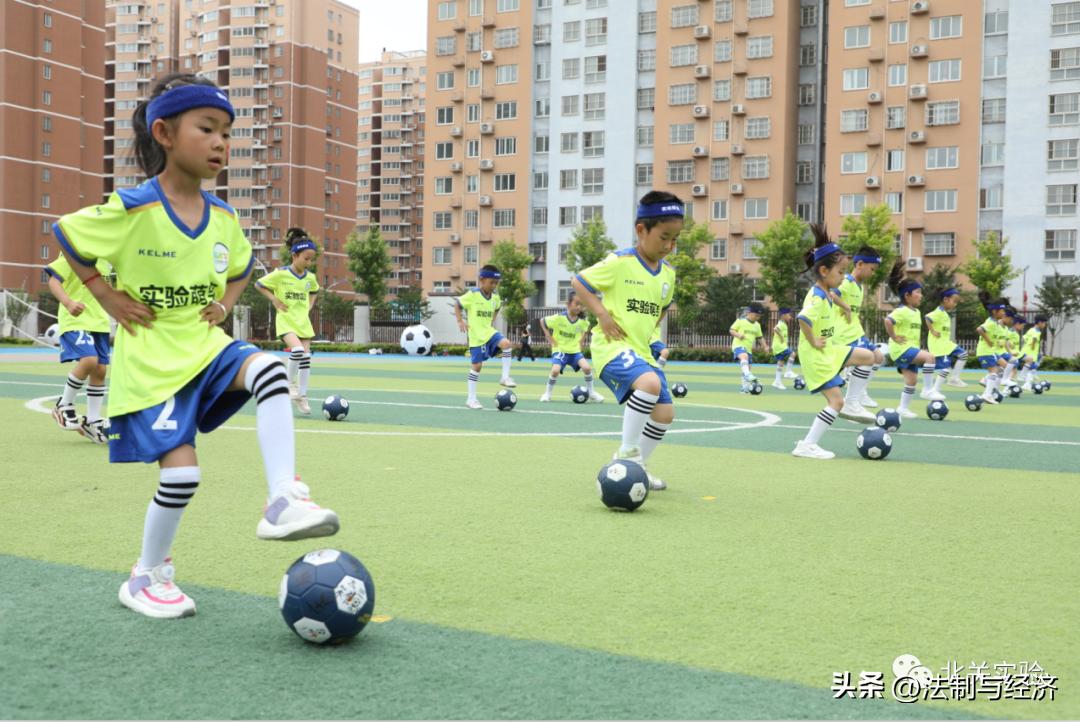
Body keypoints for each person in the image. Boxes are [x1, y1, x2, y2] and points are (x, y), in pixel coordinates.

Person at [53, 74, 339, 619]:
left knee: (272, 371)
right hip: (150, 362)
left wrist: (227, 307)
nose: (220, 144)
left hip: (205, 346)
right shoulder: (133, 208)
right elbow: (67, 234)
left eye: (227, 134)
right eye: (207, 129)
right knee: (182, 476)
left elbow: (242, 268)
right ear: (163, 132)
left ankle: (283, 498)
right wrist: (104, 295)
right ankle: (146, 575)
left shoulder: (225, 219)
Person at [571, 190, 680, 489]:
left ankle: (638, 468)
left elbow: (660, 311)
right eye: (664, 237)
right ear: (641, 230)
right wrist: (603, 316)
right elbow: (579, 282)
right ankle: (627, 457)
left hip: (641, 352)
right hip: (611, 348)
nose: (670, 246)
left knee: (665, 413)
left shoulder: (668, 275)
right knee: (649, 384)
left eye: (675, 239)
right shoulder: (620, 262)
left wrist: (653, 339)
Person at [792, 225, 883, 459]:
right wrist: (813, 340)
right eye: (841, 272)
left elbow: (834, 297)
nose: (843, 277)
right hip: (817, 355)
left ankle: (854, 402)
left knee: (868, 356)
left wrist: (845, 307)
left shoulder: (826, 292)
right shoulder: (817, 297)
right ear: (824, 270)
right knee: (835, 402)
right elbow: (802, 318)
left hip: (831, 350)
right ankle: (807, 445)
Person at [44, 253, 113, 444]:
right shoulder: (73, 254)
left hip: (99, 322)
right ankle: (63, 405)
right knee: (89, 359)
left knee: (100, 369)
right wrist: (68, 302)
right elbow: (53, 280)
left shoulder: (106, 260)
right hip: (75, 320)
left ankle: (92, 420)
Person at [255, 228, 319, 415]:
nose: (309, 262)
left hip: (303, 322)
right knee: (298, 351)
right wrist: (274, 299)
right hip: (285, 320)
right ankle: (289, 383)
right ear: (294, 256)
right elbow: (258, 285)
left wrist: (310, 305)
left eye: (311, 259)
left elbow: (315, 291)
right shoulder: (280, 274)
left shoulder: (310, 278)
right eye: (306, 258)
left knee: (306, 358)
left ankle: (302, 395)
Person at [884, 261, 943, 419]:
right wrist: (894, 337)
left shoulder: (916, 312)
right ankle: (928, 389)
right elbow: (888, 321)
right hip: (901, 349)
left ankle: (902, 408)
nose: (921, 295)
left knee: (911, 380)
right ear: (907, 295)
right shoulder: (901, 310)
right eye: (918, 292)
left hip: (909, 348)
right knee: (929, 357)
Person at [830, 247, 882, 417]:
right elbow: (830, 294)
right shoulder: (846, 282)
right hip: (844, 335)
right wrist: (844, 306)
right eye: (872, 269)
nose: (873, 273)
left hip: (855, 332)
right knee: (868, 358)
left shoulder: (859, 287)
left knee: (878, 357)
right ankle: (851, 401)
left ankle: (859, 394)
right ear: (860, 264)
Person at [456, 264, 515, 409]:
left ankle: (505, 377)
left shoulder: (495, 297)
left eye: (496, 283)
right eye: (491, 282)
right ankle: (471, 399)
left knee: (507, 344)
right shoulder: (473, 295)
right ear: (482, 280)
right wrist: (460, 320)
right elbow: (458, 304)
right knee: (477, 366)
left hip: (489, 332)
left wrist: (492, 321)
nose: (494, 285)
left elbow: (497, 307)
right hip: (476, 336)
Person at [539, 291, 603, 403]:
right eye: (576, 303)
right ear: (568, 304)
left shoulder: (583, 321)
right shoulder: (559, 318)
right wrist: (548, 335)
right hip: (560, 350)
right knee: (555, 370)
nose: (579, 307)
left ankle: (592, 393)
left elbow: (585, 330)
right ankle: (547, 394)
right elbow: (542, 321)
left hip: (574, 351)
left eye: (581, 304)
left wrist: (581, 343)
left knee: (587, 368)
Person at [923, 287, 969, 393]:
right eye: (954, 301)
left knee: (963, 355)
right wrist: (933, 331)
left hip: (946, 344)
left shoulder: (945, 314)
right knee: (945, 368)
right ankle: (935, 390)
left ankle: (954, 378)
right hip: (939, 345)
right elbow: (927, 318)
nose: (955, 304)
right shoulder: (939, 311)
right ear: (945, 300)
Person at [974, 292, 1009, 404]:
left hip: (991, 351)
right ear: (995, 312)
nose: (1004, 313)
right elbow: (979, 329)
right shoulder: (990, 323)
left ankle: (990, 388)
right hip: (985, 352)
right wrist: (988, 341)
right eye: (1002, 311)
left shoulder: (996, 323)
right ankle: (987, 394)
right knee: (994, 371)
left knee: (1003, 367)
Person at [730, 303, 766, 393]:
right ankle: (747, 375)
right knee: (744, 356)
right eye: (756, 315)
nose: (757, 318)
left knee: (748, 367)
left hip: (749, 349)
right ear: (749, 313)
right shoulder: (740, 321)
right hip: (738, 345)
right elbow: (731, 330)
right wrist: (738, 335)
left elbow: (760, 337)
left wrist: (765, 346)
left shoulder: (757, 325)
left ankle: (744, 388)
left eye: (759, 316)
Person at [770, 308, 796, 390]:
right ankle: (788, 372)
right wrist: (781, 337)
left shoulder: (784, 324)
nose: (790, 317)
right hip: (779, 346)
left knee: (780, 363)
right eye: (789, 315)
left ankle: (777, 381)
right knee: (793, 354)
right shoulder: (781, 324)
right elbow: (775, 329)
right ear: (783, 316)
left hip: (779, 346)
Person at [1019, 315, 1047, 390]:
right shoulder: (1037, 332)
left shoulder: (1031, 330)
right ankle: (1026, 382)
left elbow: (1023, 339)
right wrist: (1033, 347)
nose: (1044, 325)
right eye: (1044, 323)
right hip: (1031, 353)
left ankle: (1028, 383)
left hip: (1025, 351)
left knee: (1032, 369)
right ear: (1039, 322)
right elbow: (1034, 341)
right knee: (1032, 369)